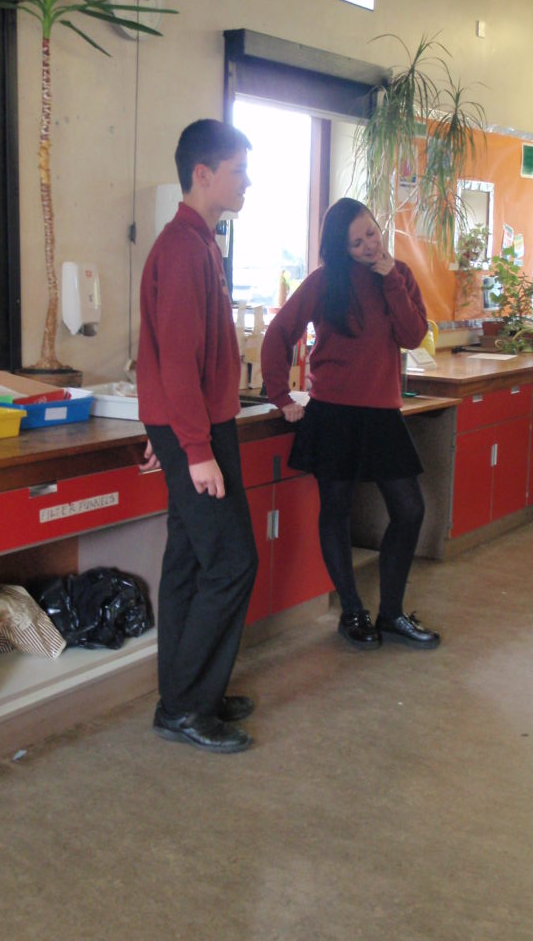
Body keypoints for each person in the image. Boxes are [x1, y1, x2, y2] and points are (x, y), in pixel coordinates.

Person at [260, 198, 440, 651]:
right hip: (334, 414)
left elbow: (413, 336)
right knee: (336, 510)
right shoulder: (324, 282)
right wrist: (280, 395)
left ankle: (391, 614)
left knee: (409, 510)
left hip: (381, 412)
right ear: (341, 248)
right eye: (356, 243)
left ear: (379, 227)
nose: (368, 246)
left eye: (371, 234)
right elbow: (278, 333)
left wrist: (391, 278)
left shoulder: (399, 276)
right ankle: (352, 611)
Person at [136, 119, 259, 753]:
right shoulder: (182, 248)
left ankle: (188, 693)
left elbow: (169, 358)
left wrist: (169, 425)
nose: (248, 182)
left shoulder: (202, 243)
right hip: (199, 433)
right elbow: (177, 359)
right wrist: (192, 447)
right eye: (239, 171)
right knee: (234, 562)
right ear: (203, 174)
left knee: (188, 560)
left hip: (198, 424)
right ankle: (186, 705)